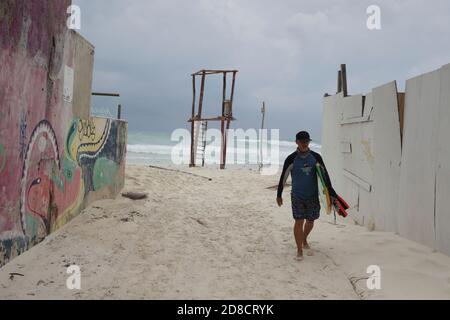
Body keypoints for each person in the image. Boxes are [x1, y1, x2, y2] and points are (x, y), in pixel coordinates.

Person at [276, 131, 336, 261]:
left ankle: (304, 239)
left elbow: (325, 175)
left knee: (310, 220)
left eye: (306, 141)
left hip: (313, 195)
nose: (304, 143)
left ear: (309, 142)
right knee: (299, 221)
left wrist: (331, 192)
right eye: (302, 141)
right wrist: (279, 194)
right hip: (297, 196)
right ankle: (299, 249)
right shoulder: (291, 159)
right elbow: (283, 177)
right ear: (296, 142)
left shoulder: (316, 157)